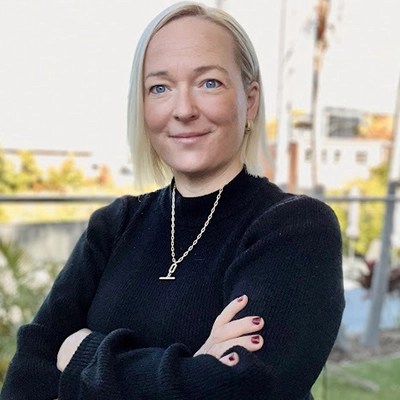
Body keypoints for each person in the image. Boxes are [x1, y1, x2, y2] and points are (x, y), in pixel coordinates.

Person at [1, 2, 344, 399]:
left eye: (209, 83)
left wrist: (84, 355)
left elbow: (244, 388)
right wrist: (191, 370)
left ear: (249, 101)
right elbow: (25, 377)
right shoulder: (113, 225)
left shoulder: (295, 228)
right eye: (160, 88)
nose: (183, 110)